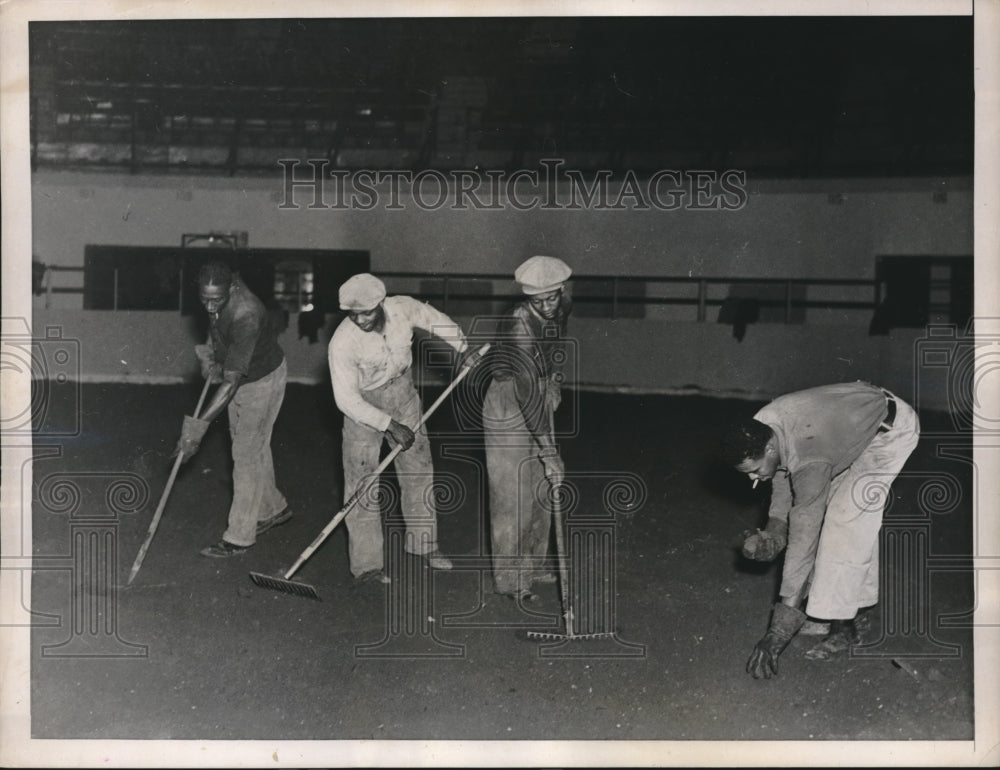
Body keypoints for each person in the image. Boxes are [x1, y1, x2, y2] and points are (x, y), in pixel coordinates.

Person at [720, 380, 920, 678]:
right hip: (848, 429)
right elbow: (782, 480)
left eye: (755, 469)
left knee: (844, 520)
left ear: (770, 447)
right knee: (839, 515)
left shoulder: (809, 455)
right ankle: (852, 606)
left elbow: (804, 538)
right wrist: (774, 532)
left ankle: (844, 626)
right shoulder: (763, 426)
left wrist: (779, 631)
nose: (754, 479)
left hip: (890, 432)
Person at [328, 273, 478, 583]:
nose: (360, 320)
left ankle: (425, 545)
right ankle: (367, 565)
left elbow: (434, 318)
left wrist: (463, 347)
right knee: (363, 483)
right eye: (352, 314)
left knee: (419, 469)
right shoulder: (342, 342)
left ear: (381, 303)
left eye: (366, 312)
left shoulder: (403, 308)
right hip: (363, 408)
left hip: (403, 393)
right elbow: (345, 400)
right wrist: (389, 425)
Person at [174, 261, 292, 557]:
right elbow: (214, 328)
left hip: (262, 381)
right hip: (240, 374)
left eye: (217, 299)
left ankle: (239, 536)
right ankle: (273, 509)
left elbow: (229, 385)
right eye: (204, 299)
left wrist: (195, 431)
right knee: (253, 446)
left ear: (232, 289)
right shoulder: (219, 294)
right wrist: (208, 358)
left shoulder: (247, 314)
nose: (210, 305)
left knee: (245, 453)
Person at [483, 255, 572, 601]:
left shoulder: (563, 303)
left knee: (540, 488)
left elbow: (557, 343)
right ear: (527, 297)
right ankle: (510, 578)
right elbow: (524, 391)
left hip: (538, 384)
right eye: (539, 301)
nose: (548, 306)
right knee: (513, 492)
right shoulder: (519, 322)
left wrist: (554, 378)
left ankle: (533, 563)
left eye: (553, 297)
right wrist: (549, 451)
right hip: (509, 399)